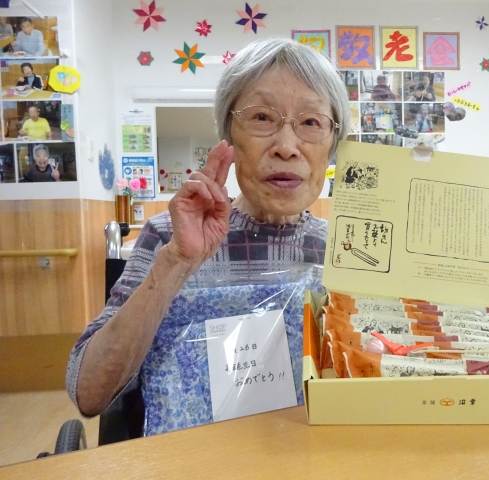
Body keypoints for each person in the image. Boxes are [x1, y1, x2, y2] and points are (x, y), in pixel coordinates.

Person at [66, 37, 349, 435]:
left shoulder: (345, 252)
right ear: (228, 137)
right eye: (262, 117)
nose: (287, 147)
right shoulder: (170, 236)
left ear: (333, 145)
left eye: (311, 122)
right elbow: (89, 392)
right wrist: (176, 263)